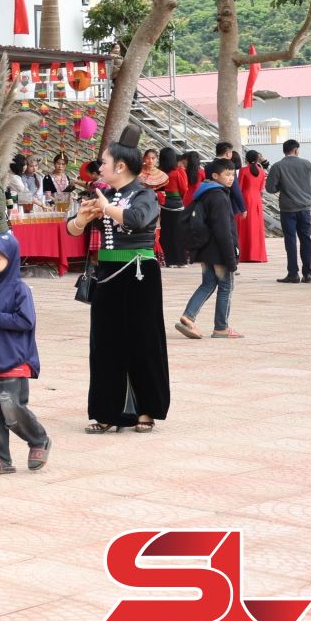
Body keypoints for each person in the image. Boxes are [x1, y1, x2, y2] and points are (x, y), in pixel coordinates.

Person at [68, 123, 169, 434]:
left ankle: (145, 409)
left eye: (105, 162)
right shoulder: (105, 195)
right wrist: (82, 218)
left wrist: (107, 208)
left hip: (139, 273)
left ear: (121, 166)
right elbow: (71, 229)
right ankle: (107, 411)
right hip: (108, 274)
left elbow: (137, 220)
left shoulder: (145, 194)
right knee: (105, 342)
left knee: (143, 340)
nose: (100, 167)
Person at [0, 232, 50, 475]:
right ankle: (0, 458)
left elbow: (25, 321)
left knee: (12, 407)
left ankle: (38, 439)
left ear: (11, 260)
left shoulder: (20, 289)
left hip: (13, 359)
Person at [176, 158, 241, 341]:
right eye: (227, 174)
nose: (231, 178)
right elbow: (223, 230)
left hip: (205, 250)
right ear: (215, 176)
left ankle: (188, 316)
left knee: (208, 283)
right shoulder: (219, 196)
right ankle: (221, 328)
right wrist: (231, 258)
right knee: (226, 286)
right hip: (219, 251)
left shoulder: (204, 193)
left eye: (232, 174)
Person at [266, 138, 311, 283]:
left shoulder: (277, 166)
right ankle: (307, 273)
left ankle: (293, 274)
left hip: (287, 209)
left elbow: (270, 188)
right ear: (296, 150)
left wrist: (282, 186)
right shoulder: (307, 164)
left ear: (285, 151)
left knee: (290, 241)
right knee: (306, 239)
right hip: (305, 208)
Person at [236, 150, 268, 263]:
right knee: (256, 227)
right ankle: (257, 254)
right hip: (257, 199)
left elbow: (239, 188)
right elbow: (261, 189)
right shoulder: (262, 172)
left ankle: (245, 254)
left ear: (246, 159)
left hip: (245, 198)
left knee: (245, 227)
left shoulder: (243, 170)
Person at [158, 148, 187, 267]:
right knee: (178, 233)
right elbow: (184, 189)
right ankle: (180, 260)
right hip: (177, 205)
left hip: (164, 205)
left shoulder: (159, 172)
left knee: (166, 232)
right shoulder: (178, 172)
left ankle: (169, 260)